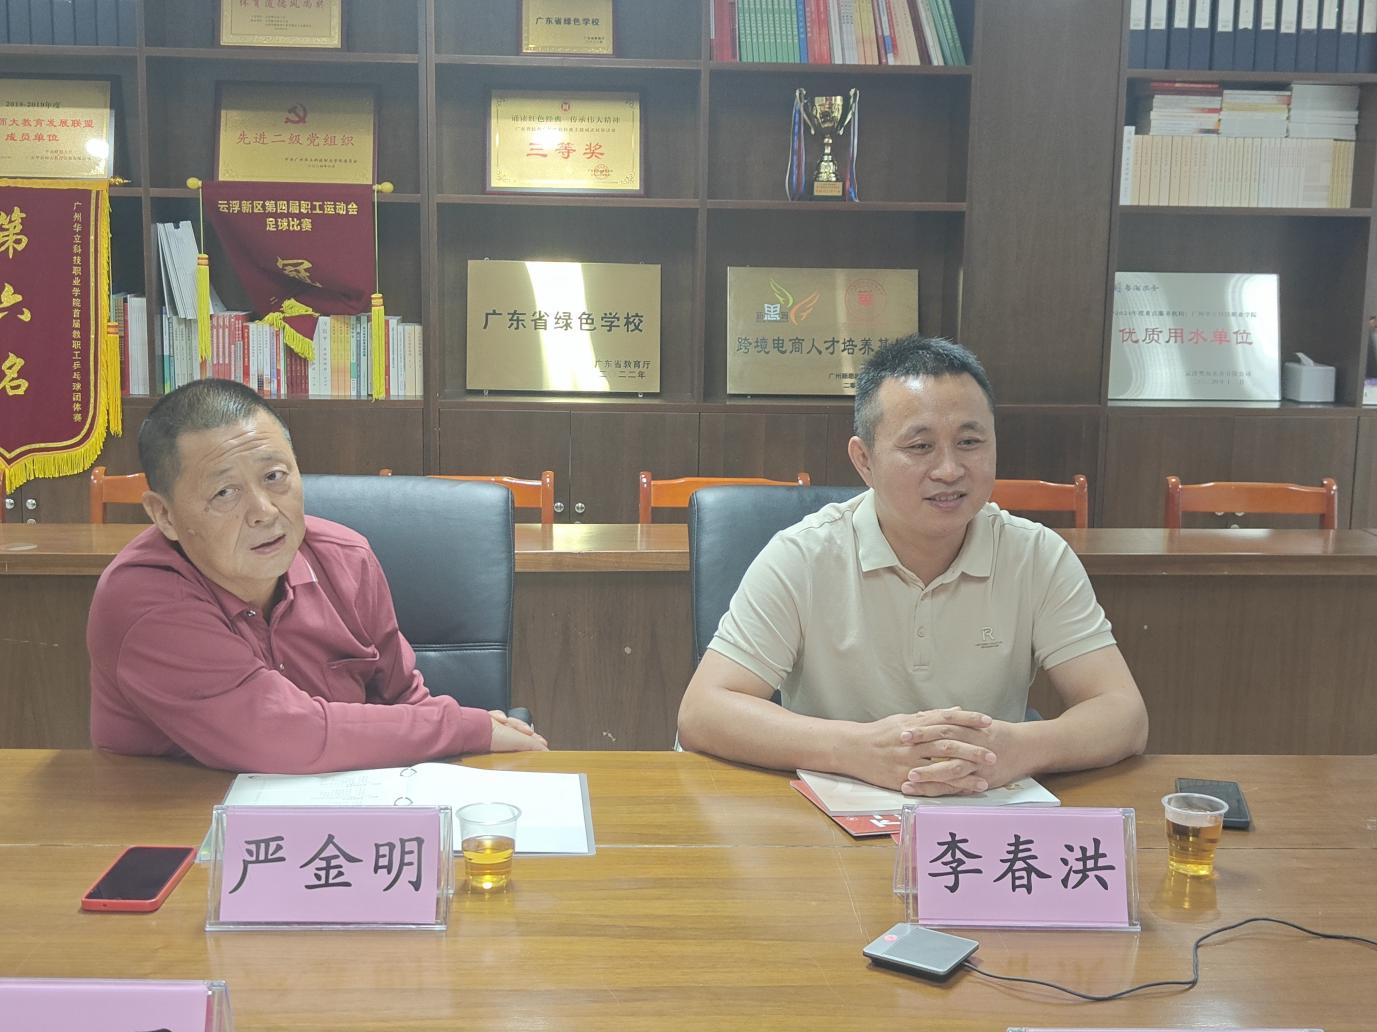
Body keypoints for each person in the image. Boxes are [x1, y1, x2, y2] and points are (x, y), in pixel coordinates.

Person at [677, 335, 1148, 795]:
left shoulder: (1035, 555)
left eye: (970, 442)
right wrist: (857, 750)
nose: (949, 470)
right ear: (864, 460)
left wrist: (1019, 748)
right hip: (833, 811)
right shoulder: (802, 555)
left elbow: (1123, 713)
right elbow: (703, 711)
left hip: (980, 811)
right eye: (920, 447)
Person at [88, 379, 547, 773]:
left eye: (275, 476)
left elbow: (405, 700)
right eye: (225, 492)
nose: (264, 512)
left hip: (338, 814)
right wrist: (465, 726)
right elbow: (276, 733)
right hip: (179, 823)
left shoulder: (346, 560)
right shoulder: (143, 599)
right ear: (164, 515)